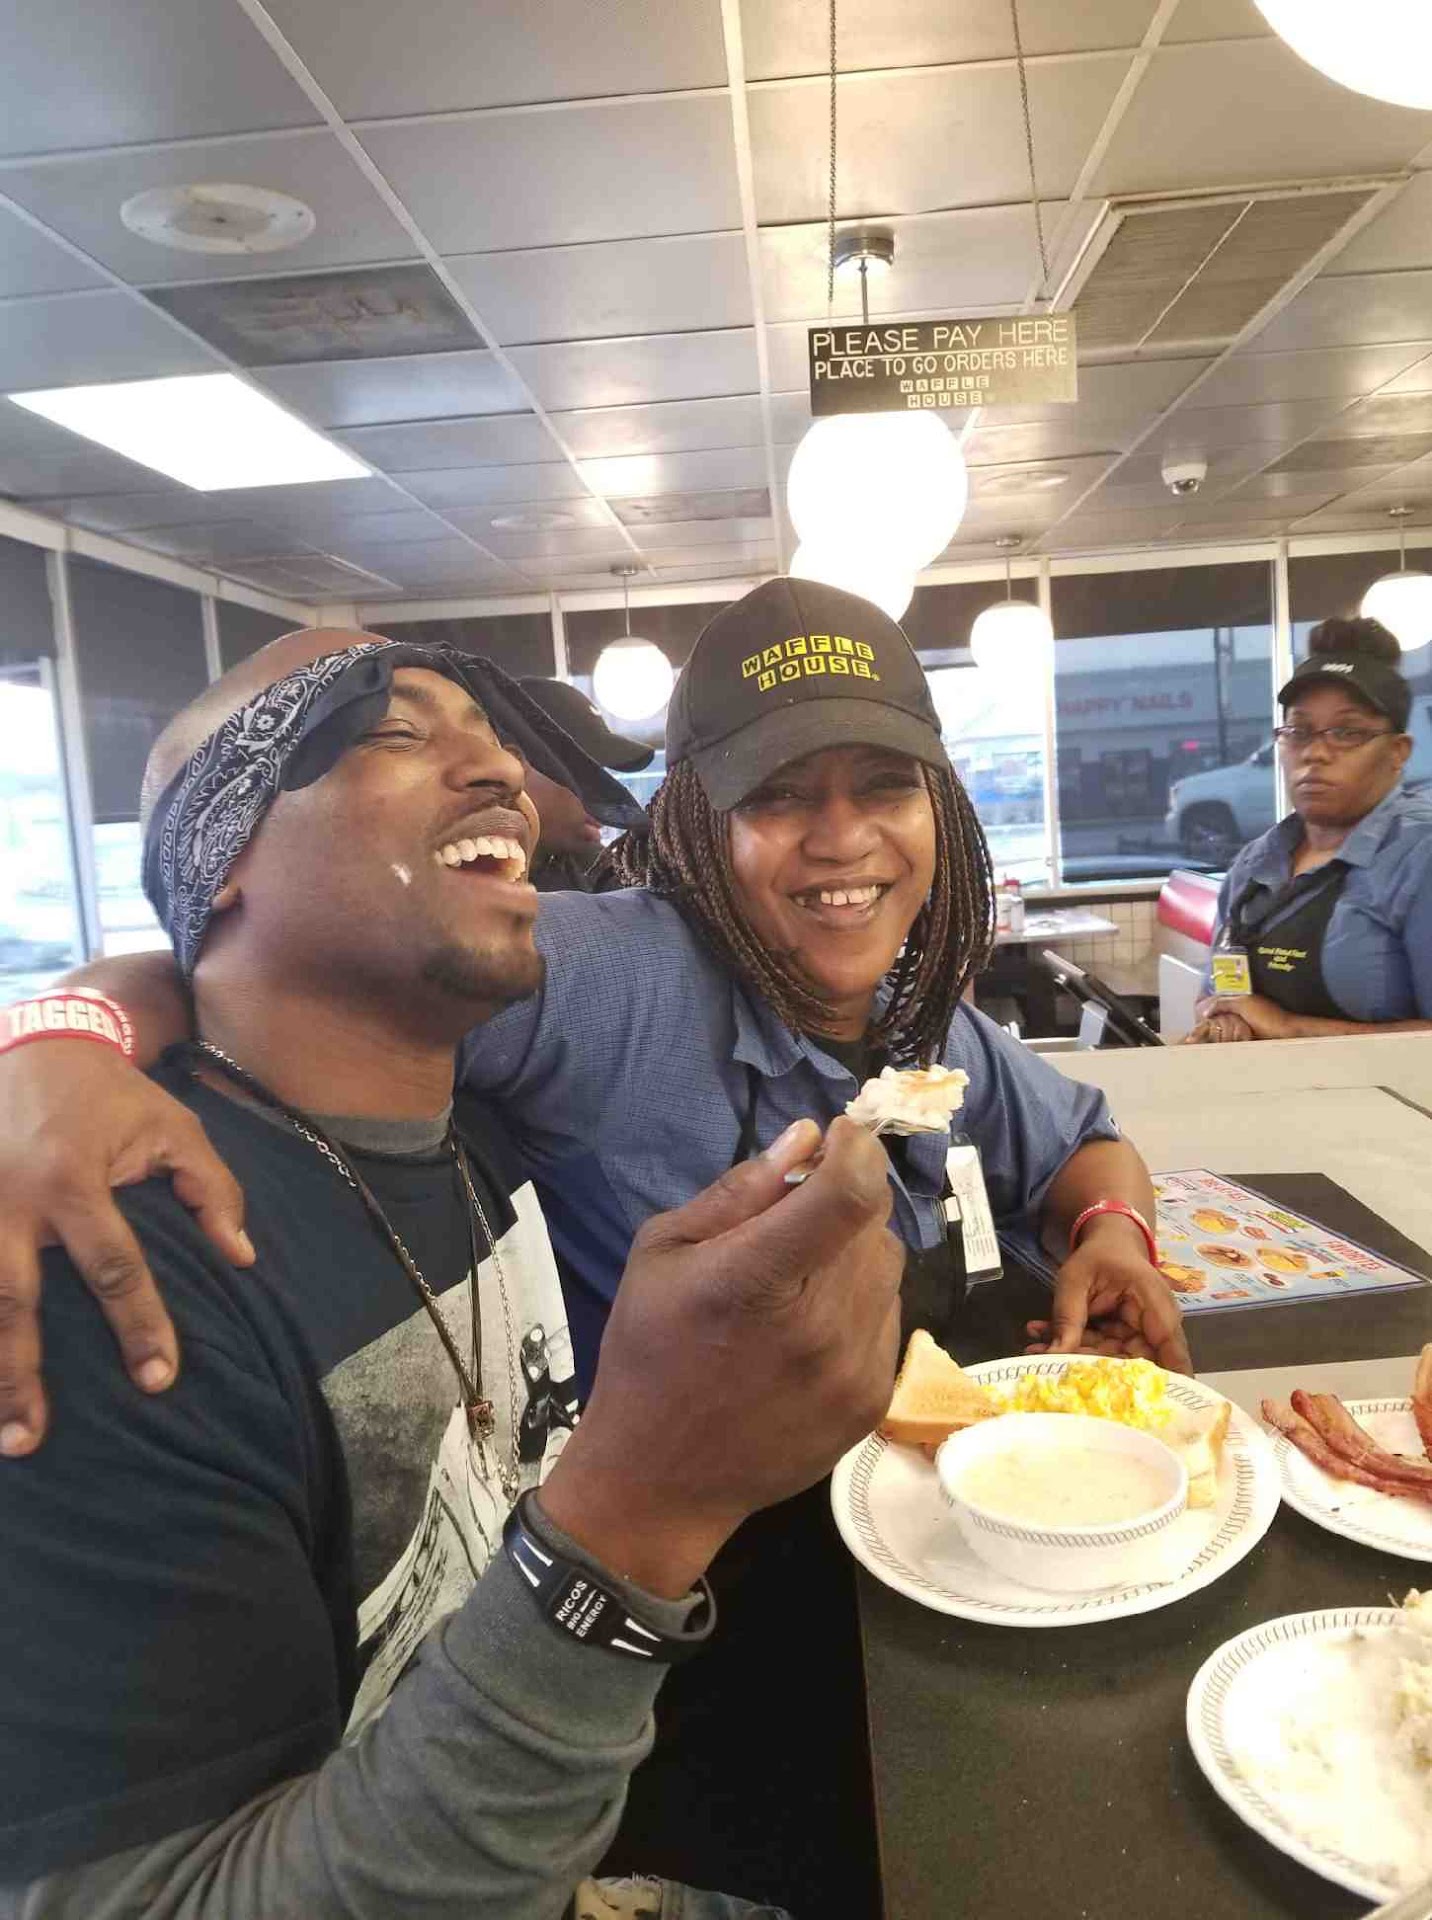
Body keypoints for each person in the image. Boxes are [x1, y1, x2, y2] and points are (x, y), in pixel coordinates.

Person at [0, 634, 902, 1919]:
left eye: (492, 737)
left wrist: (65, 1026)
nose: (503, 774)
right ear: (225, 849)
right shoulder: (107, 1277)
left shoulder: (479, 1138)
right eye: (394, 730)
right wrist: (639, 1507)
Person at [1189, 616, 1432, 1045]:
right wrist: (1225, 1022)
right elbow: (1216, 995)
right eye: (1298, 731)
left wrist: (1288, 1028)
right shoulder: (1254, 865)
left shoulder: (1417, 859)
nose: (1315, 753)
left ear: (1398, 752)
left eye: (1346, 732)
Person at [517, 676, 654, 893]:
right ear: (514, 764)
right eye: (583, 773)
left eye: (602, 775)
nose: (604, 793)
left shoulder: (601, 873)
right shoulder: (463, 889)